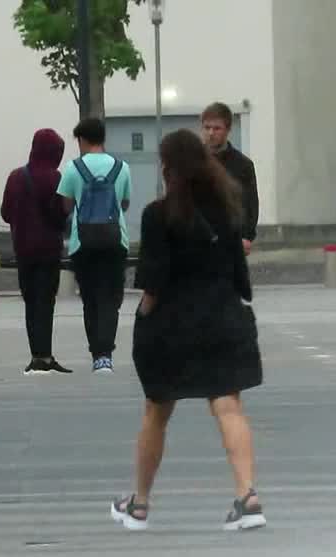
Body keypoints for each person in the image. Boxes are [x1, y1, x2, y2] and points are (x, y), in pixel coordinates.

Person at [112, 129, 266, 532]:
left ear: (168, 169)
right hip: (222, 320)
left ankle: (140, 504)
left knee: (156, 412)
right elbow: (240, 276)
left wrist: (142, 320)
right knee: (228, 406)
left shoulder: (158, 215)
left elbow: (153, 284)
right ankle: (248, 497)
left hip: (173, 328)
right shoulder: (227, 211)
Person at [57, 117, 132, 374]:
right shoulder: (122, 167)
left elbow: (66, 205)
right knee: (111, 298)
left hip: (83, 242)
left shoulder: (73, 168)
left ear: (81, 140)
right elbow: (124, 204)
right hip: (115, 240)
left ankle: (96, 353)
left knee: (90, 299)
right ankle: (105, 356)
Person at [2, 128, 72, 374]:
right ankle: (45, 355)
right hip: (48, 251)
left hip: (23, 250)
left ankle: (36, 355)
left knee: (30, 302)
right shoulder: (56, 178)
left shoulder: (15, 177)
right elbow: (61, 214)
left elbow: (5, 213)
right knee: (45, 302)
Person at [201, 102, 259, 256]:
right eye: (207, 127)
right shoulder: (192, 161)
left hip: (231, 240)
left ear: (228, 130)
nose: (211, 133)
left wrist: (247, 236)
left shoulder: (243, 165)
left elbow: (250, 203)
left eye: (217, 128)